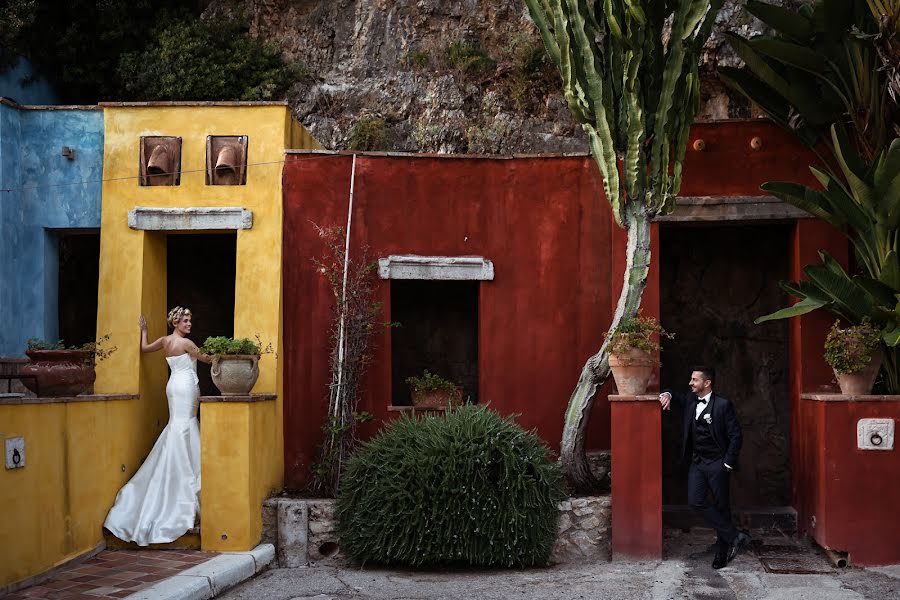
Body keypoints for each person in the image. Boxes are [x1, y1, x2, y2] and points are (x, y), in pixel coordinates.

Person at [104, 306, 211, 545]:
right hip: (186, 387)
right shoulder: (187, 344)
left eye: (190, 321)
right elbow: (207, 359)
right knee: (186, 423)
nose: (189, 324)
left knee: (178, 424)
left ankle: (174, 462)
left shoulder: (164, 341)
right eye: (185, 321)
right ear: (176, 323)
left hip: (173, 386)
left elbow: (144, 348)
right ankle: (186, 472)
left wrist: (144, 331)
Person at [659, 366, 750, 569]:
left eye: (694, 380)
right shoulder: (691, 400)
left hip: (718, 463)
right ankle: (735, 535)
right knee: (695, 501)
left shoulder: (723, 405)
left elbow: (736, 435)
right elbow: (674, 394)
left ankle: (722, 551)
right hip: (698, 463)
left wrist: (727, 462)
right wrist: (666, 394)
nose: (690, 383)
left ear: (706, 383)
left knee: (721, 506)